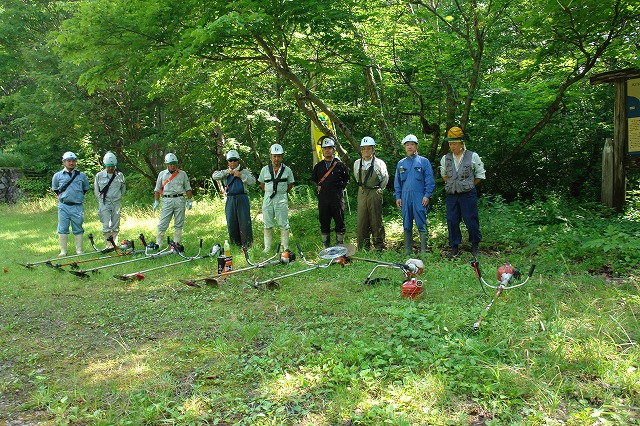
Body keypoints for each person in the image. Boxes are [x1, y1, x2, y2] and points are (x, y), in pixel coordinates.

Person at [440, 126, 486, 258]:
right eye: (450, 143)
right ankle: (454, 246)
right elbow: (444, 175)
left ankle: (475, 245)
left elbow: (480, 175)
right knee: (452, 220)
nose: (452, 146)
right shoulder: (445, 158)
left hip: (468, 194)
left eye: (454, 143)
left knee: (471, 219)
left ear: (461, 143)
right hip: (452, 195)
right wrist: (453, 184)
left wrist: (468, 185)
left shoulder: (473, 156)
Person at [394, 134, 436, 255]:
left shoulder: (424, 161)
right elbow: (397, 182)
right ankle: (408, 251)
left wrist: (427, 195)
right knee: (406, 224)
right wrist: (398, 197)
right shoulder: (401, 164)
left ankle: (423, 251)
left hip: (419, 197)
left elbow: (429, 180)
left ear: (416, 146)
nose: (409, 147)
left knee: (421, 223)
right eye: (407, 145)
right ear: (404, 147)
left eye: (412, 144)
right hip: (405, 197)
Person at [212, 150, 257, 247]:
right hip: (230, 198)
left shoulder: (244, 171)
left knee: (244, 221)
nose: (233, 162)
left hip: (242, 197)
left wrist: (241, 176)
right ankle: (235, 244)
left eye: (235, 160)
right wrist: (226, 172)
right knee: (231, 220)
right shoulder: (226, 173)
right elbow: (214, 176)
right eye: (230, 160)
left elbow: (253, 181)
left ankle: (247, 244)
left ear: (238, 161)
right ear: (228, 161)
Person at [311, 137, 350, 248]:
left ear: (334, 150)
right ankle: (326, 245)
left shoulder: (340, 165)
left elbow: (346, 179)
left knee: (340, 221)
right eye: (325, 149)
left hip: (337, 199)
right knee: (324, 221)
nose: (327, 151)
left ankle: (340, 244)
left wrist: (339, 189)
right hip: (323, 199)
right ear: (322, 151)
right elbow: (315, 180)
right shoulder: (318, 167)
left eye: (329, 148)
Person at [51, 151, 90, 256]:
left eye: (73, 161)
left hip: (77, 206)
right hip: (63, 205)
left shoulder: (82, 175)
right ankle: (63, 251)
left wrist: (76, 197)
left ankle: (79, 250)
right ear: (64, 162)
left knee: (78, 228)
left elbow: (85, 189)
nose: (71, 163)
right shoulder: (57, 176)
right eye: (69, 161)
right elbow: (55, 189)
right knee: (62, 228)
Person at [353, 136, 389, 250]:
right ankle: (363, 246)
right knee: (362, 220)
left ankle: (379, 246)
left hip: (375, 191)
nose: (365, 151)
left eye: (368, 148)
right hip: (362, 192)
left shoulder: (379, 163)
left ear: (373, 149)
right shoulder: (357, 163)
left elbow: (385, 179)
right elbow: (356, 177)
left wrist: (377, 190)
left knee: (376, 219)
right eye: (363, 149)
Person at [258, 144, 295, 252]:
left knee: (283, 223)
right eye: (274, 156)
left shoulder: (287, 170)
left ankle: (285, 247)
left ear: (282, 157)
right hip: (268, 198)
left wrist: (281, 192)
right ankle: (267, 247)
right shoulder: (265, 170)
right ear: (270, 156)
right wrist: (269, 191)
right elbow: (262, 184)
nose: (276, 159)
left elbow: (290, 185)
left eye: (278, 156)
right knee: (267, 222)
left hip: (281, 198)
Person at [153, 153, 193, 247]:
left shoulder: (182, 174)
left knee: (179, 223)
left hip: (179, 199)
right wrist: (156, 201)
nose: (173, 166)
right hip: (167, 200)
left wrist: (190, 200)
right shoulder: (162, 174)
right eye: (171, 164)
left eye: (175, 163)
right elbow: (157, 189)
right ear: (167, 164)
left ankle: (176, 244)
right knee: (163, 223)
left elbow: (188, 188)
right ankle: (158, 243)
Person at [94, 152, 126, 248]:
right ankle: (108, 245)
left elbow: (123, 189)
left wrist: (118, 197)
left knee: (115, 225)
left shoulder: (120, 175)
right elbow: (96, 190)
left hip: (116, 202)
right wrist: (101, 201)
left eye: (112, 166)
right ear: (105, 165)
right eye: (109, 166)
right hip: (104, 202)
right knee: (106, 224)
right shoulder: (99, 176)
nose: (111, 168)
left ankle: (114, 243)